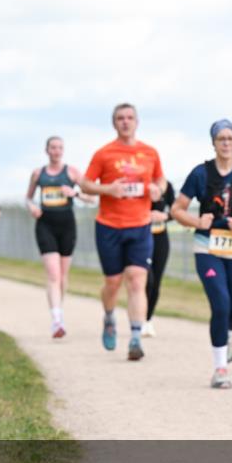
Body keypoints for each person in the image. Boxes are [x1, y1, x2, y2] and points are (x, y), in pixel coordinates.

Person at [171, 122, 232, 387]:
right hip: (207, 246)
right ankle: (220, 369)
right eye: (221, 138)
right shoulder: (200, 173)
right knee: (221, 304)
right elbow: (176, 210)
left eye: (230, 138)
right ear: (213, 142)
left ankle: (226, 335)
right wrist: (196, 222)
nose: (226, 143)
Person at [79, 103, 167, 361]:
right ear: (114, 123)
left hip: (139, 225)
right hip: (109, 226)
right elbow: (85, 184)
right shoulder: (104, 153)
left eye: (130, 118)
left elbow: (161, 179)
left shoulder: (150, 152)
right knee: (113, 283)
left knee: (137, 280)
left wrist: (158, 190)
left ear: (137, 122)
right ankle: (108, 318)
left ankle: (136, 338)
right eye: (120, 118)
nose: (125, 122)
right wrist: (107, 190)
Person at [26, 136, 95, 338]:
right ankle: (57, 320)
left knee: (63, 276)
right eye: (53, 148)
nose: (56, 151)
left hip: (67, 226)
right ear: (46, 150)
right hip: (45, 224)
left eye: (60, 148)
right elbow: (28, 197)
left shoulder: (72, 172)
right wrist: (31, 206)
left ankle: (58, 310)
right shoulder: (38, 174)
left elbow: (91, 197)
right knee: (53, 274)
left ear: (63, 151)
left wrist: (74, 193)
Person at [143, 179, 175, 337]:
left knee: (155, 282)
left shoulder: (167, 186)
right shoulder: (140, 185)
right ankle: (139, 317)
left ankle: (148, 320)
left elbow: (176, 211)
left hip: (161, 239)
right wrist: (145, 215)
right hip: (140, 238)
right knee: (145, 280)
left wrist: (164, 216)